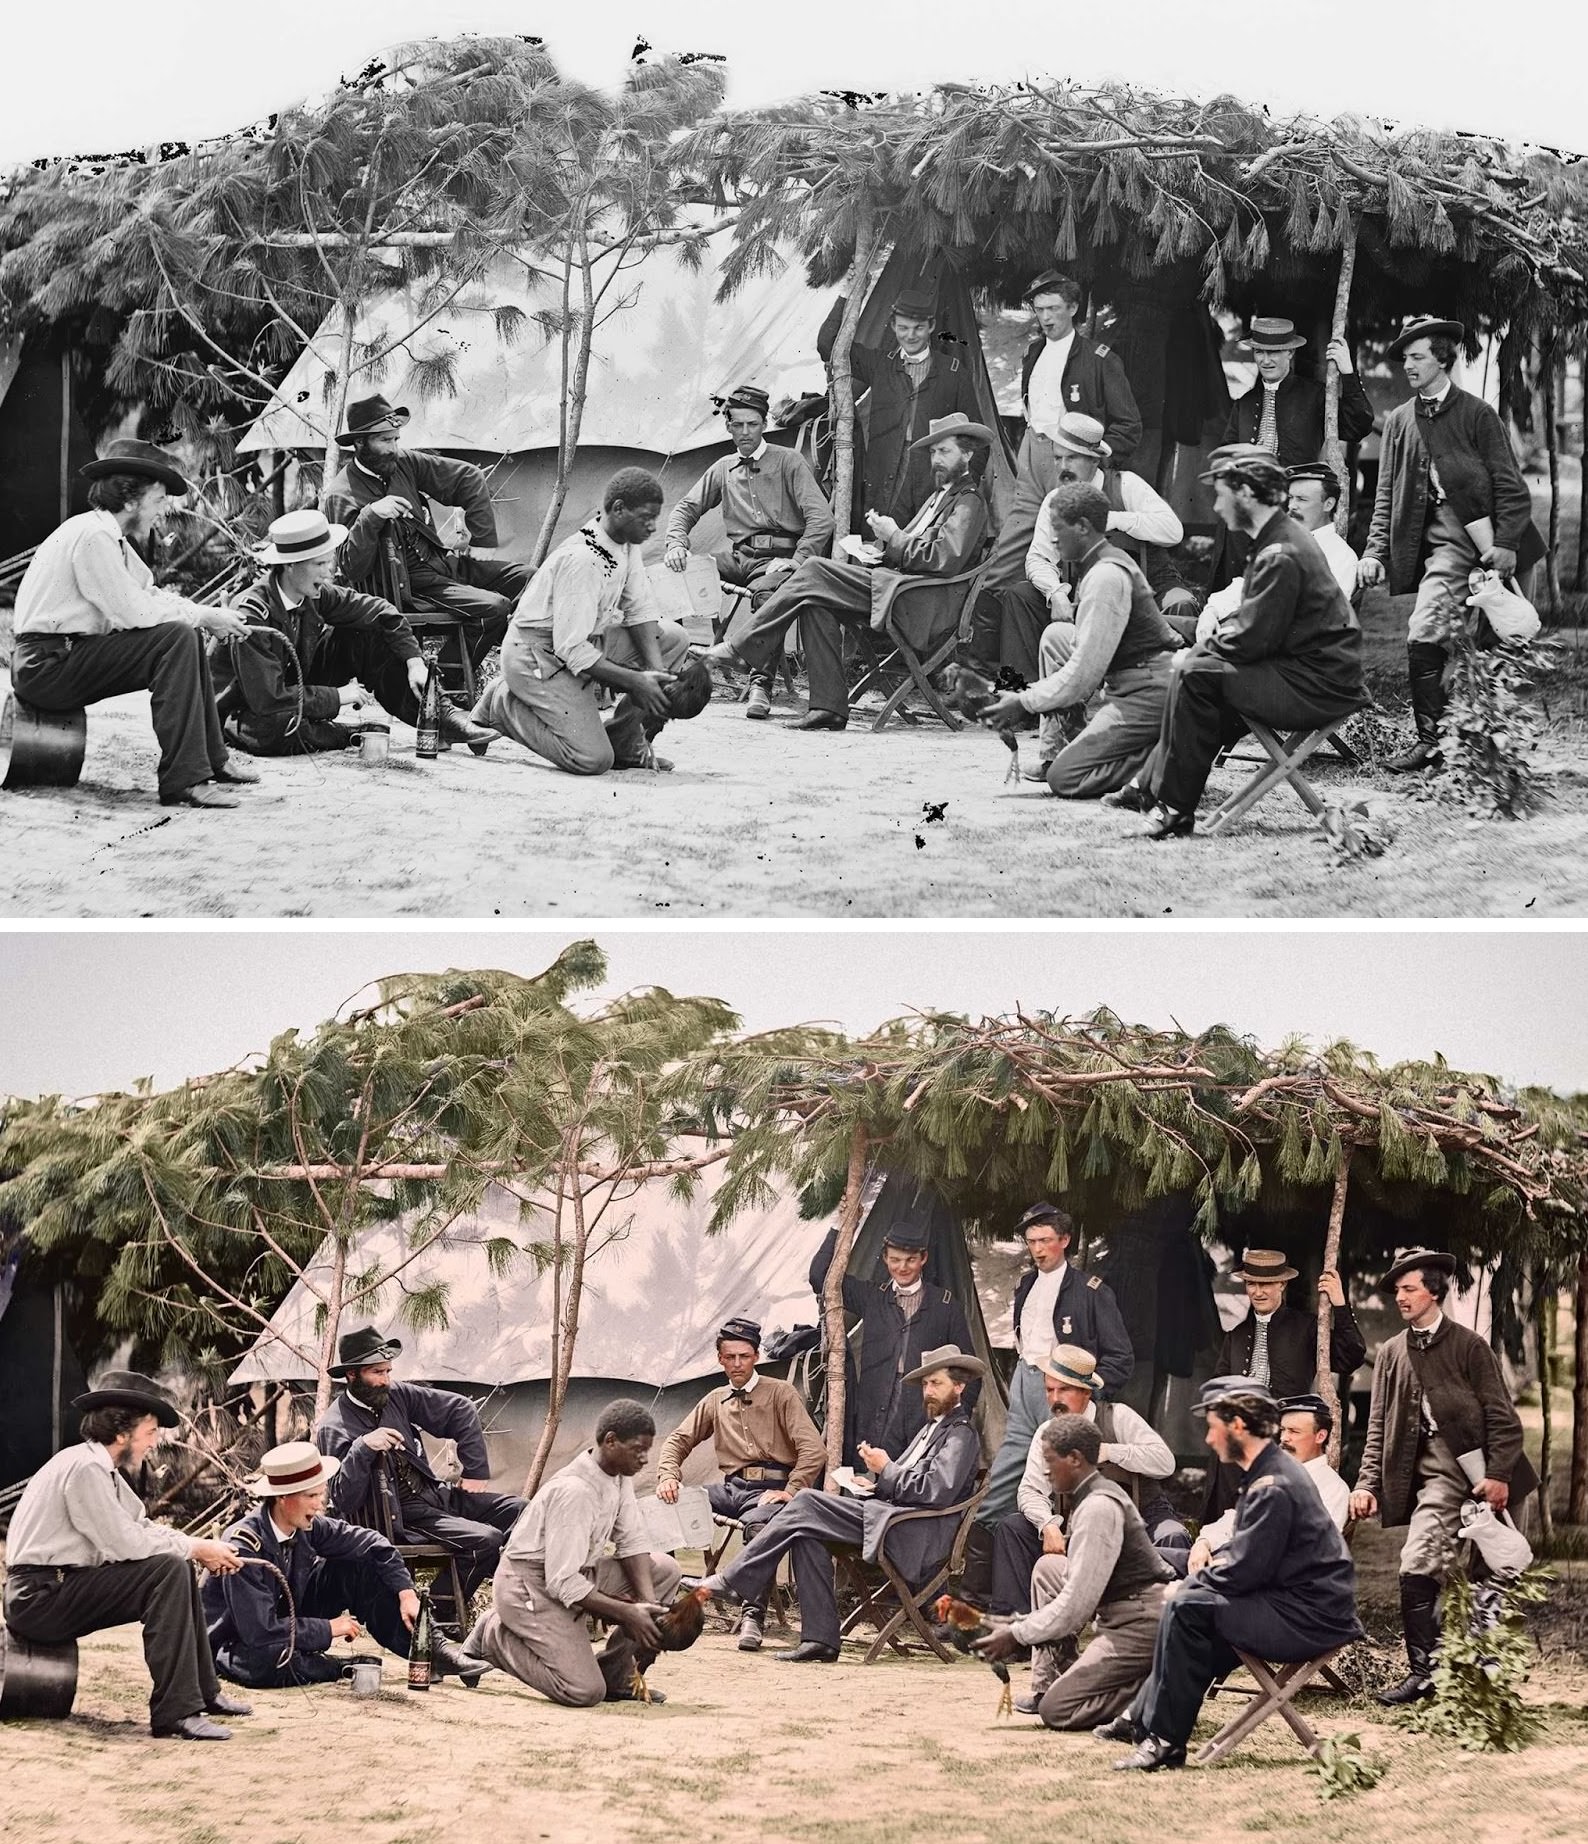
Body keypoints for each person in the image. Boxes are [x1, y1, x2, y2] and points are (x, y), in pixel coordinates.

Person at [1103, 1379, 1364, 1772]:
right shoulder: (1270, 1473)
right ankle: (1147, 1723)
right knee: (1192, 1606)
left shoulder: (1274, 1484)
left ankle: (1165, 1741)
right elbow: (1247, 1560)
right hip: (1295, 1605)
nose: (1208, 1439)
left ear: (1238, 1427)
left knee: (1187, 1606)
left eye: (1213, 1427)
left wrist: (1184, 1587)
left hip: (1310, 1618)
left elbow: (1245, 1569)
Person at [1130, 444, 1366, 839]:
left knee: (1196, 672)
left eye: (1223, 495)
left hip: (1318, 686)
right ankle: (1159, 790)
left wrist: (1196, 654)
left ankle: (1172, 805)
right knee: (1198, 669)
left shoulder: (1281, 550)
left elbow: (1255, 638)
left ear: (1248, 496)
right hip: (1307, 673)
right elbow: (1257, 628)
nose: (1217, 508)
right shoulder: (1277, 539)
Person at [1, 1370, 251, 1741]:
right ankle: (176, 1713)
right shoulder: (84, 1468)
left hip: (56, 1587)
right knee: (167, 1569)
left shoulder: (102, 1469)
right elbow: (125, 1545)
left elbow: (143, 1527)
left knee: (175, 1565)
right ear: (122, 1433)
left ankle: (204, 1692)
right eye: (150, 1433)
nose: (154, 1443)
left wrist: (196, 1548)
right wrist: (198, 1547)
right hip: (38, 1597)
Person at [8, 439, 258, 809]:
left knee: (182, 635)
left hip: (63, 656)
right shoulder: (93, 537)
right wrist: (203, 615)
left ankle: (212, 760)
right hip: (46, 666)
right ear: (130, 500)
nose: (162, 513)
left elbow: (149, 595)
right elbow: (133, 612)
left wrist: (203, 614)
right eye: (158, 501)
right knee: (175, 637)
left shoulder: (109, 536)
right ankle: (185, 780)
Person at [701, 414, 993, 731]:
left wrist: (894, 535)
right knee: (815, 602)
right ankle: (828, 708)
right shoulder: (940, 497)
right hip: (900, 588)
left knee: (813, 568)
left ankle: (741, 647)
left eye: (945, 451)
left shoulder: (968, 501)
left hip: (921, 603)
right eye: (934, 452)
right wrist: (878, 549)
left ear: (967, 454)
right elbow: (919, 552)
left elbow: (942, 559)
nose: (936, 459)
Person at [697, 1344, 983, 1663]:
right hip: (893, 1519)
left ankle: (734, 1580)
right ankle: (820, 1640)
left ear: (959, 1387)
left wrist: (885, 1468)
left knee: (805, 1500)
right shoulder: (931, 1430)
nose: (928, 1391)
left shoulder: (960, 1435)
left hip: (914, 1535)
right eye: (926, 1384)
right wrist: (872, 1484)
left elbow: (935, 1492)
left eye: (937, 1383)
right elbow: (910, 1486)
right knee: (806, 1533)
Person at [1349, 1247, 1538, 1705]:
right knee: (1418, 1559)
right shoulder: (1393, 1353)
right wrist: (1367, 1483)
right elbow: (1378, 1427)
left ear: (1434, 1292)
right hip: (1435, 1472)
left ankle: (1490, 1675)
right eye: (1397, 1291)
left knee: (1494, 1572)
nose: (1401, 1297)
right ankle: (1425, 1673)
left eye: (1409, 1289)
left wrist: (1497, 1475)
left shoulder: (1469, 1346)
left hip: (1488, 1468)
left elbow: (1502, 1417)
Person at [1358, 317, 1546, 773]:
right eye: (1405, 358)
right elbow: (1387, 494)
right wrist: (1374, 551)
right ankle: (1432, 741)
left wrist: (1504, 545)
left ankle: (1490, 744)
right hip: (1442, 540)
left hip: (1493, 539)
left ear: (1443, 358)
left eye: (1417, 356)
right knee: (1427, 627)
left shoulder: (1477, 414)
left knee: (1501, 638)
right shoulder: (1402, 420)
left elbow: (1511, 486)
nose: (1408, 365)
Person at [469, 469, 711, 774]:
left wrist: (656, 673)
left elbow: (640, 610)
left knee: (674, 638)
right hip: (535, 656)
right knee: (592, 760)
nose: (652, 526)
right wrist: (636, 681)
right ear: (619, 508)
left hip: (578, 643)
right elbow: (571, 649)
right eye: (646, 517)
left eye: (656, 517)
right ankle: (501, 705)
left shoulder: (625, 542)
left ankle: (624, 743)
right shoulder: (584, 560)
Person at [203, 1441, 486, 1687]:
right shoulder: (243, 1545)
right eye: (311, 1497)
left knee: (359, 1566)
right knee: (271, 1660)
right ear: (282, 1498)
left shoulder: (307, 1525)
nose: (319, 1505)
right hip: (242, 1641)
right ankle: (337, 1666)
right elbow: (260, 1631)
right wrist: (329, 1628)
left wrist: (406, 1593)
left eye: (320, 1495)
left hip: (286, 1618)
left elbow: (376, 1545)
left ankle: (432, 1649)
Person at [214, 509, 493, 753]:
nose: (328, 573)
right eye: (319, 565)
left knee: (366, 633)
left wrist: (414, 661)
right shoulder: (252, 613)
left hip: (292, 687)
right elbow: (268, 698)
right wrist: (338, 697)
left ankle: (443, 718)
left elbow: (383, 612)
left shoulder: (314, 593)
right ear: (289, 565)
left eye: (329, 562)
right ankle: (346, 735)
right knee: (278, 726)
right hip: (248, 709)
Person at [462, 1399, 683, 1707]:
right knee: (583, 1691)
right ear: (610, 1441)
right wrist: (626, 1613)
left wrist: (648, 1605)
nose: (645, 1458)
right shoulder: (575, 1492)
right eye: (637, 1449)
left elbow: (632, 1541)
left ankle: (617, 1676)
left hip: (573, 1574)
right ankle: (494, 1636)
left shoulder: (618, 1476)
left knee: (664, 1569)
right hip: (529, 1587)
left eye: (648, 1449)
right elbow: (561, 1582)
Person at [980, 483, 1181, 797]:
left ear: (1084, 528)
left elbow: (1084, 676)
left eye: (1058, 528)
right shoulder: (1099, 562)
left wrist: (1023, 699)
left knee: (1065, 777)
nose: (1054, 538)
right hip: (1130, 680)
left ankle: (1157, 757)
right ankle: (1060, 747)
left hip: (1146, 693)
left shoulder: (1105, 576)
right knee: (1057, 635)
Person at [975, 1414, 1174, 1730]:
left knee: (1058, 1710)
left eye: (1050, 1461)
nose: (1045, 1470)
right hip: (1119, 1609)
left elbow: (1076, 1605)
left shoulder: (1098, 1507)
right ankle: (1056, 1676)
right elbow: (1070, 1585)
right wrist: (1013, 1622)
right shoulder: (1090, 1495)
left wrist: (1016, 1633)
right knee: (1048, 1568)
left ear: (1076, 1459)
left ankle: (1152, 1689)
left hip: (1138, 1622)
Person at [969, 412, 1194, 683]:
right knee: (1020, 595)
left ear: (1094, 460)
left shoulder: (1126, 485)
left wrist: (1115, 519)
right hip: (1086, 596)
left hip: (1148, 590)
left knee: (1181, 603)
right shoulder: (1056, 499)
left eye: (1071, 458)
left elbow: (1173, 531)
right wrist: (1056, 594)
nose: (1063, 466)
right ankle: (1021, 697)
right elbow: (1038, 558)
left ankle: (1175, 705)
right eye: (1057, 458)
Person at [322, 393, 529, 684]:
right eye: (385, 441)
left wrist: (482, 538)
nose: (394, 448)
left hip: (442, 564)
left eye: (396, 439)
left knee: (530, 578)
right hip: (407, 586)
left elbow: (466, 476)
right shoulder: (341, 493)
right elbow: (352, 568)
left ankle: (527, 672)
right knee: (494, 608)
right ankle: (437, 685)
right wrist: (370, 516)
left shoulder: (402, 462)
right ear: (359, 443)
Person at [313, 1325, 525, 1603]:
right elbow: (344, 1499)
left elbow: (460, 1409)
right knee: (486, 1539)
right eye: (377, 1372)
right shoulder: (335, 1426)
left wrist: (474, 1470)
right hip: (401, 1519)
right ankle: (435, 1611)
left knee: (523, 1511)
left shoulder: (396, 1395)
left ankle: (521, 1594)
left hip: (437, 1496)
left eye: (388, 1371)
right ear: (352, 1375)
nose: (386, 1380)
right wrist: (362, 1447)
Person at [653, 1316, 827, 1652]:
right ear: (720, 1359)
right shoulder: (715, 1399)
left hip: (769, 1490)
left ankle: (752, 1616)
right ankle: (663, 1604)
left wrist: (790, 1491)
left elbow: (813, 1450)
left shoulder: (781, 1393)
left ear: (756, 1356)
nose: (737, 1364)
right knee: (663, 1509)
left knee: (758, 1527)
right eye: (729, 1357)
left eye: (744, 1356)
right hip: (730, 1489)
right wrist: (668, 1476)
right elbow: (677, 1440)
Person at [663, 384, 834, 720]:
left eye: (752, 424)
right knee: (672, 575)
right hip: (738, 557)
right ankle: (672, 669)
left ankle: (761, 683)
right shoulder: (723, 467)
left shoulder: (789, 461)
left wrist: (797, 561)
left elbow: (821, 519)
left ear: (764, 424)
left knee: (769, 595)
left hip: (777, 559)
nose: (745, 432)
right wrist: (675, 543)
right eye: (737, 424)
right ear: (727, 425)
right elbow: (685, 508)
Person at [977, 271, 1143, 616]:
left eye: (1053, 308)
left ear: (1073, 308)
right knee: (1006, 554)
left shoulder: (1099, 359)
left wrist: (1094, 458)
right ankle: (987, 642)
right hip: (1033, 456)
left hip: (1071, 462)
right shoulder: (1034, 352)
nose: (1046, 318)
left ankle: (1063, 631)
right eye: (1039, 310)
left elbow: (1129, 426)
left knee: (1065, 554)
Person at [987, 1344, 1176, 1627]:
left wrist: (1110, 1451)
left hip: (1141, 1514)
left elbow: (1165, 1462)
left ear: (1086, 1392)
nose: (1055, 1399)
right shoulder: (1047, 1433)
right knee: (1013, 1528)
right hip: (1079, 1524)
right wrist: (1048, 1524)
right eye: (1049, 1390)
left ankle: (1166, 1635)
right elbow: (1030, 1490)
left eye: (1064, 1390)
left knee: (1172, 1537)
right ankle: (1015, 1630)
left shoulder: (1118, 1416)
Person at [977, 1202, 1133, 1526]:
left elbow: (1121, 1358)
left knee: (1057, 1485)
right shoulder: (1025, 1286)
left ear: (1064, 1240)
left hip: (1064, 1393)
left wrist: (1087, 1394)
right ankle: (986, 1566)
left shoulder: (1090, 1291)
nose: (1038, 1249)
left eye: (1045, 1240)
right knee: (1002, 1483)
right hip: (1025, 1385)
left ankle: (1052, 1557)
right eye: (1032, 1242)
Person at [1200, 1246, 1366, 1520]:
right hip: (1237, 1450)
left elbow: (1351, 1357)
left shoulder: (1307, 1328)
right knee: (1229, 1520)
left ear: (1282, 1284)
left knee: (1275, 1518)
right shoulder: (1236, 1336)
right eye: (1252, 1283)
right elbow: (1217, 1386)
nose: (1258, 1291)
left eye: (1266, 1284)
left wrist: (1340, 1304)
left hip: (1285, 1444)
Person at [807, 1219, 979, 1465]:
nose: (902, 1267)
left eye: (910, 1260)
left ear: (923, 1258)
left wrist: (956, 1420)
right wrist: (840, 1226)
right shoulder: (873, 1297)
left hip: (923, 1413)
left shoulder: (945, 1305)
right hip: (875, 1412)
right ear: (885, 1259)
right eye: (895, 1260)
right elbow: (819, 1276)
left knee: (916, 1482)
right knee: (869, 1483)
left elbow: (970, 1370)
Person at [816, 280, 983, 524]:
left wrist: (964, 487)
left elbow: (978, 437)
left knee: (924, 545)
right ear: (893, 326)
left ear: (931, 326)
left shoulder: (954, 372)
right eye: (903, 328)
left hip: (933, 476)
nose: (911, 335)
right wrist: (847, 294)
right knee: (877, 545)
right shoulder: (880, 364)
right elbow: (827, 345)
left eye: (918, 328)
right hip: (883, 475)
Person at [1196, 463, 1360, 644]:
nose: (1292, 506)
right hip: (1235, 629)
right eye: (1290, 498)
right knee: (1170, 627)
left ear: (1328, 504)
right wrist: (1211, 611)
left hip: (1271, 650)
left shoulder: (1340, 556)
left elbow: (1321, 619)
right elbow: (1244, 586)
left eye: (1302, 500)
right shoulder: (1279, 540)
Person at [1192, 1392, 1352, 1565]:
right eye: (1283, 1430)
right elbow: (1236, 1518)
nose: (1283, 1438)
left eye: (1294, 1431)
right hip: (1226, 1556)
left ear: (1320, 1436)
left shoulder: (1332, 1488)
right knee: (1166, 1557)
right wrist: (1203, 1542)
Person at [1221, 319, 1374, 465]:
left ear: (1290, 352)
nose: (1266, 361)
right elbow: (1227, 453)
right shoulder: (1244, 403)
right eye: (1259, 352)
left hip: (1297, 490)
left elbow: (1358, 428)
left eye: (1274, 352)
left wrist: (1348, 373)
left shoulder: (1315, 395)